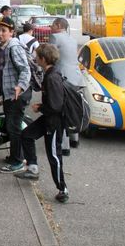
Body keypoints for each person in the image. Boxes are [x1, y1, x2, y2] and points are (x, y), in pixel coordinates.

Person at [15, 44, 69, 203]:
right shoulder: (50, 73)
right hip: (48, 119)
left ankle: (63, 189)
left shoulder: (52, 77)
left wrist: (41, 108)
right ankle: (32, 168)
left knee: (54, 155)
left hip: (54, 122)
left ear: (43, 59)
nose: (35, 58)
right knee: (26, 135)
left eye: (37, 56)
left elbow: (56, 105)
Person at [0, 17, 36, 176]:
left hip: (18, 94)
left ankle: (18, 161)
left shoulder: (13, 47)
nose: (0, 33)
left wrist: (20, 86)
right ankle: (15, 156)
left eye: (4, 30)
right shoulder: (2, 47)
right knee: (11, 126)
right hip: (9, 94)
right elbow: (0, 74)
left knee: (14, 127)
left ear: (12, 32)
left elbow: (25, 70)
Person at [49, 17, 83, 153]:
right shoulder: (72, 39)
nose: (51, 27)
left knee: (62, 111)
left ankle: (64, 145)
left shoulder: (55, 37)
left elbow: (50, 56)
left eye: (52, 25)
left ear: (58, 25)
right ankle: (75, 138)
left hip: (63, 77)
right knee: (74, 107)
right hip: (76, 77)